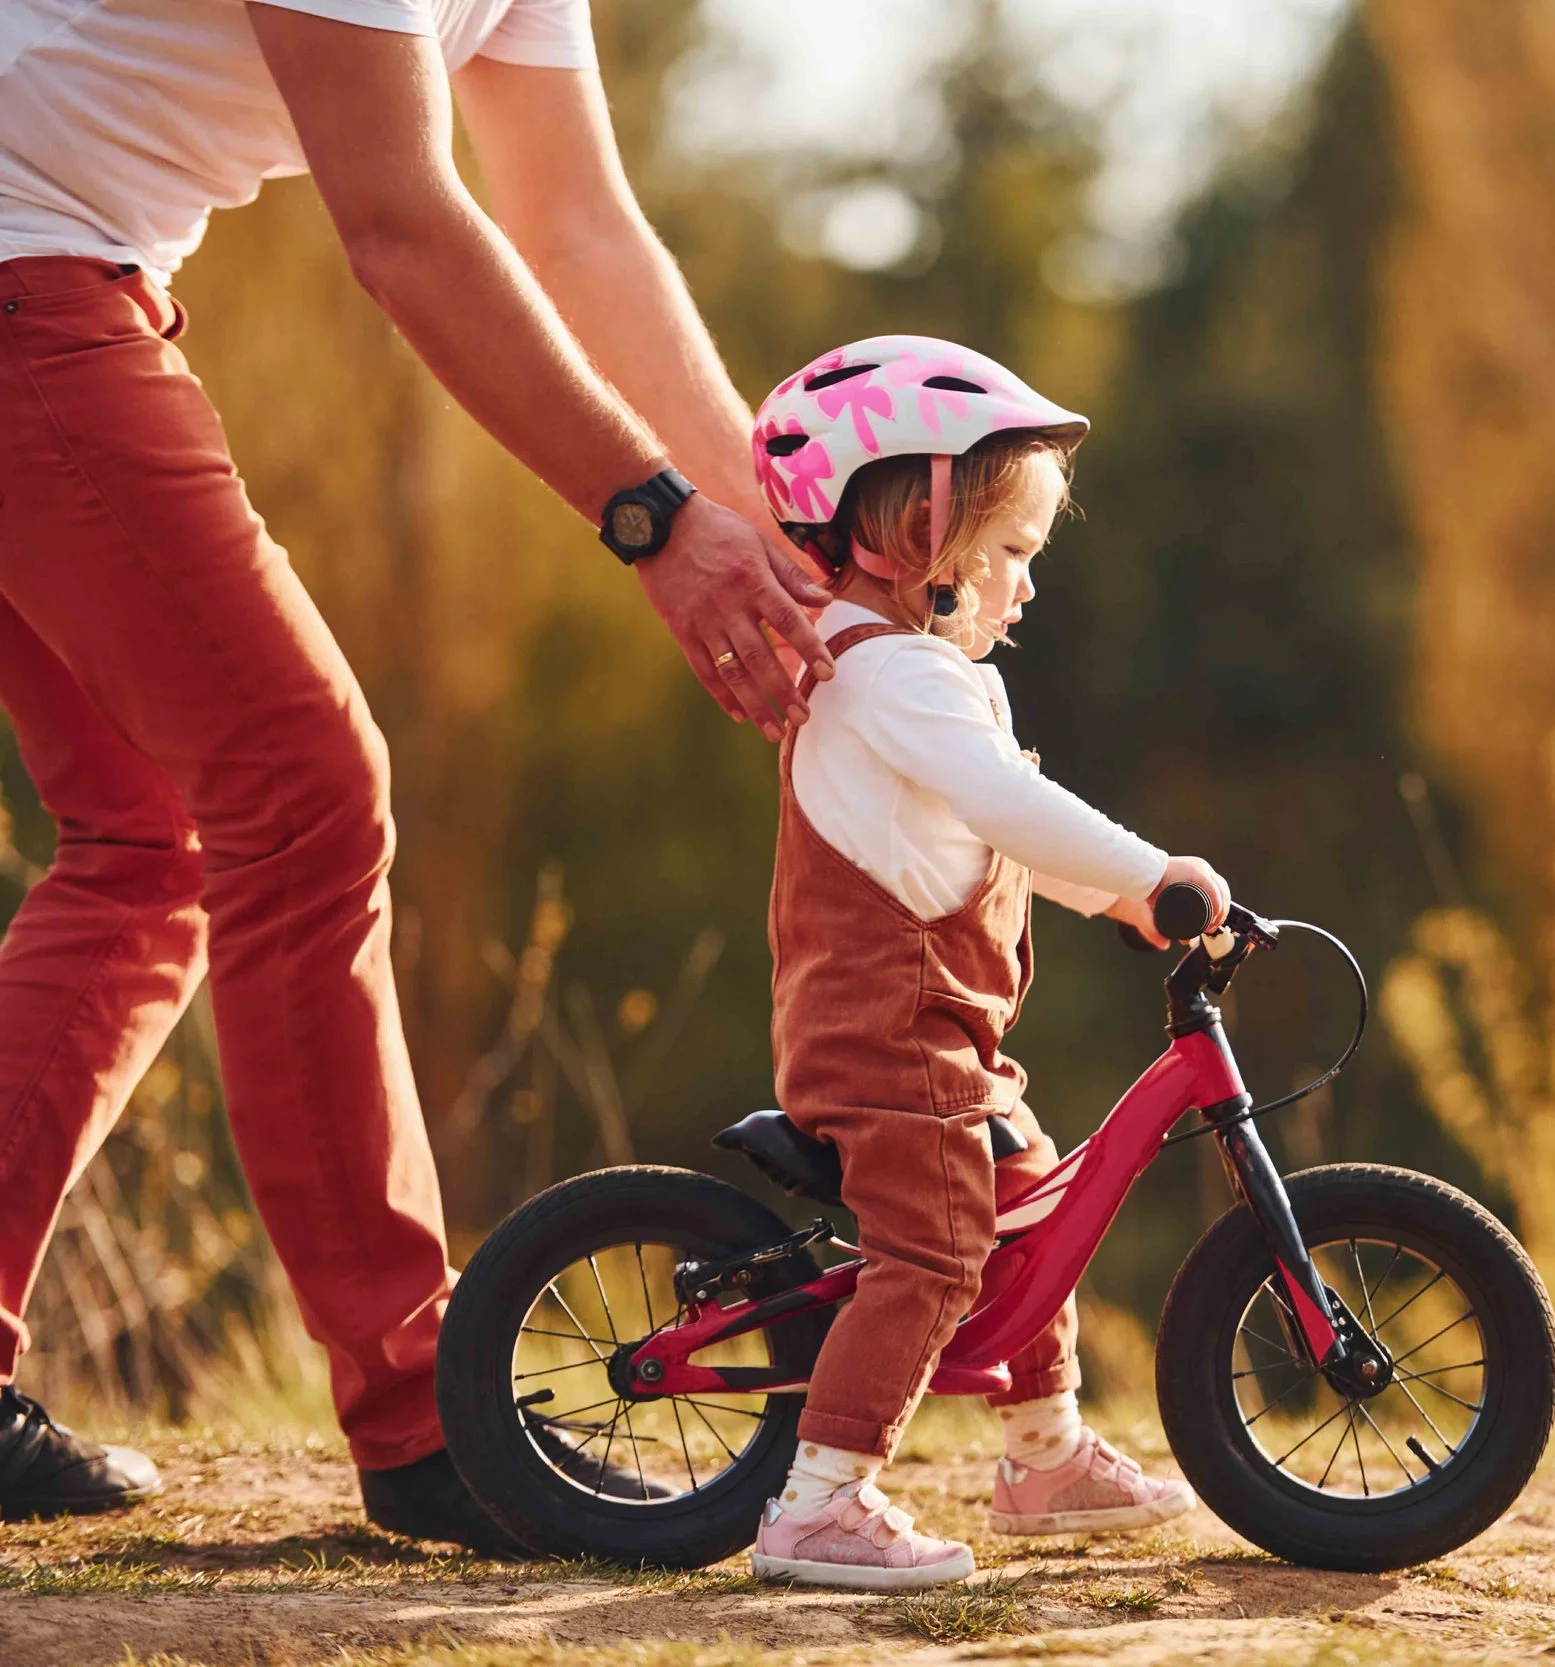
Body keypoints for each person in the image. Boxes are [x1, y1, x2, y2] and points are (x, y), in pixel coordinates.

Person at [0, 0, 836, 1546]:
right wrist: (653, 518)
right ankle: (427, 1417)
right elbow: (399, 227)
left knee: (151, 838)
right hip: (26, 283)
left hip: (63, 277)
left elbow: (580, 228)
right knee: (298, 790)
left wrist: (786, 538)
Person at [743, 337, 1222, 1590]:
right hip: (886, 1043)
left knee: (1029, 1203)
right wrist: (1154, 871)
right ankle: (817, 1501)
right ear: (924, 535)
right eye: (1010, 549)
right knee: (941, 1245)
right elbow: (1009, 802)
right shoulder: (894, 675)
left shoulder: (920, 675)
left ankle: (1045, 1458)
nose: (1025, 582)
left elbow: (998, 828)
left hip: (941, 1041)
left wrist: (1121, 897)